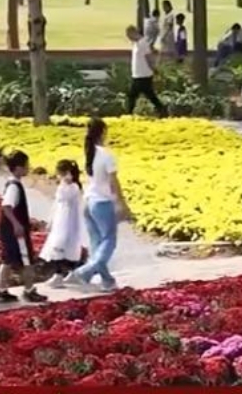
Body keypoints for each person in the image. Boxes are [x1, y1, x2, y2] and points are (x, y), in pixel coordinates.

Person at [65, 118, 131, 292]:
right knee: (109, 241)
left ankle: (107, 281)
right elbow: (113, 181)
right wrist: (121, 203)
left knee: (97, 243)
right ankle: (83, 272)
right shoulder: (105, 155)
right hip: (102, 203)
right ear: (103, 132)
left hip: (88, 202)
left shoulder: (89, 153)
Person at [0, 151, 46, 303]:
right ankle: (29, 290)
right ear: (18, 167)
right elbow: (6, 207)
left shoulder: (11, 183)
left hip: (7, 229)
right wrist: (17, 224)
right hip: (16, 231)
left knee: (8, 259)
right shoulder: (14, 187)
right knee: (27, 260)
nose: (28, 168)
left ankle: (2, 290)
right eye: (26, 165)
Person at [43, 160, 84, 288]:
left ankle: (59, 276)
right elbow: (56, 204)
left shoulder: (73, 187)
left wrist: (65, 182)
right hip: (61, 220)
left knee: (61, 248)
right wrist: (51, 220)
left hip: (67, 222)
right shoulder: (65, 186)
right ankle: (70, 274)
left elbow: (63, 198)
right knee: (61, 248)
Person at [126, 25, 168, 116]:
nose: (129, 38)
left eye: (129, 36)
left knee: (133, 95)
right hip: (138, 74)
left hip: (143, 75)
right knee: (149, 95)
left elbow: (148, 57)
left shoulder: (143, 43)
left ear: (133, 33)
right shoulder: (136, 44)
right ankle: (162, 110)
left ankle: (129, 114)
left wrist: (154, 69)